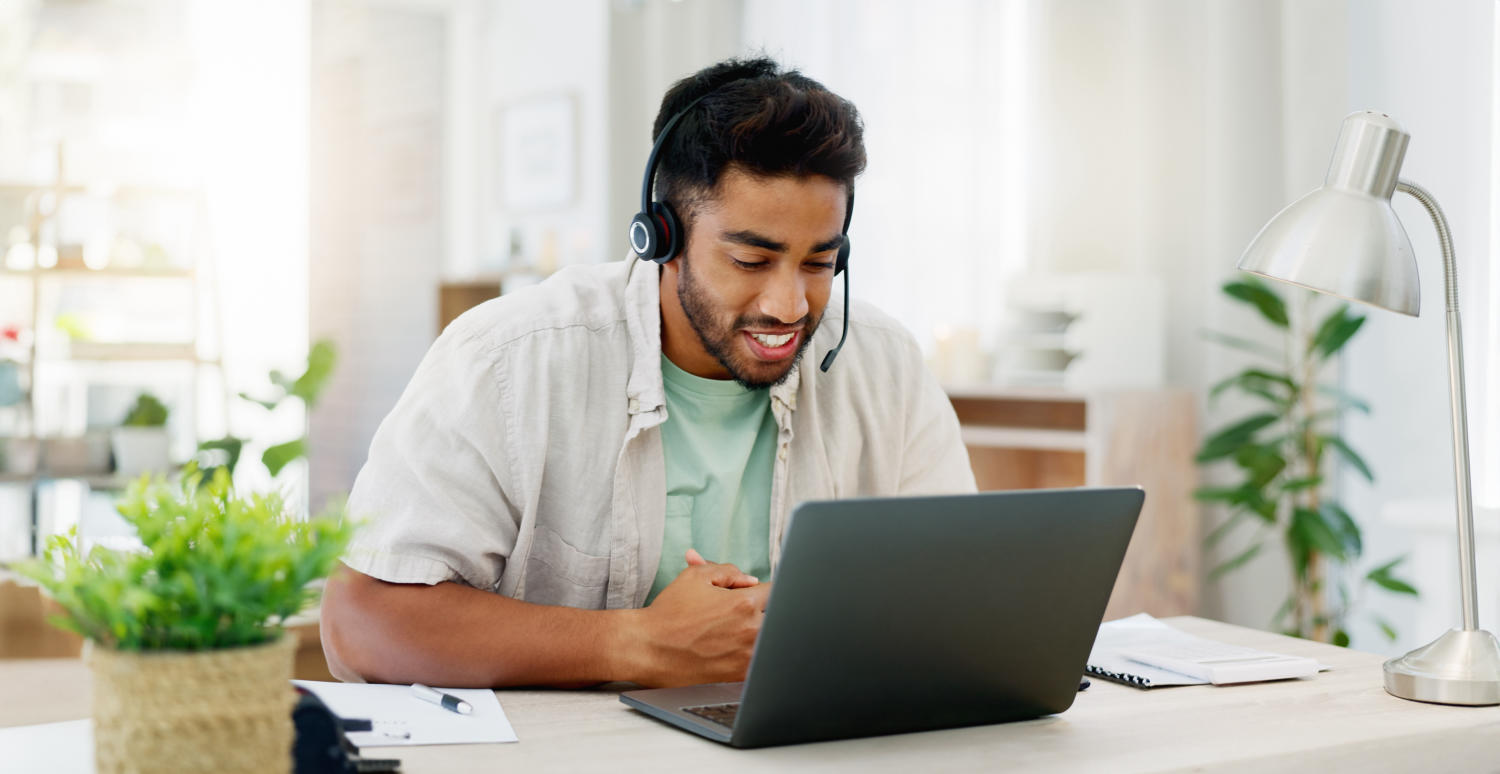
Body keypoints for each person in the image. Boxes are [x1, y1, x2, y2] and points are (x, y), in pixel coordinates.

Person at [320, 56, 975, 689]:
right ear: (661, 239)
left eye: (818, 263)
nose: (789, 306)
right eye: (751, 260)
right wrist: (639, 642)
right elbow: (362, 620)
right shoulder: (508, 357)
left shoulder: (884, 362)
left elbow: (963, 595)